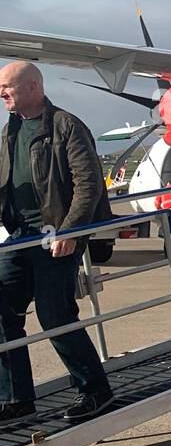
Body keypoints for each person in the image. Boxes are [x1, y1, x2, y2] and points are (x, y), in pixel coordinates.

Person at [0, 61, 116, 425]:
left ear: (33, 87)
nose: (2, 94)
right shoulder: (10, 130)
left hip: (55, 234)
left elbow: (88, 184)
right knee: (1, 309)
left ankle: (95, 390)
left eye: (8, 87)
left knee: (55, 314)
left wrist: (70, 230)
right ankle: (16, 398)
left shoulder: (66, 126)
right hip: (19, 237)